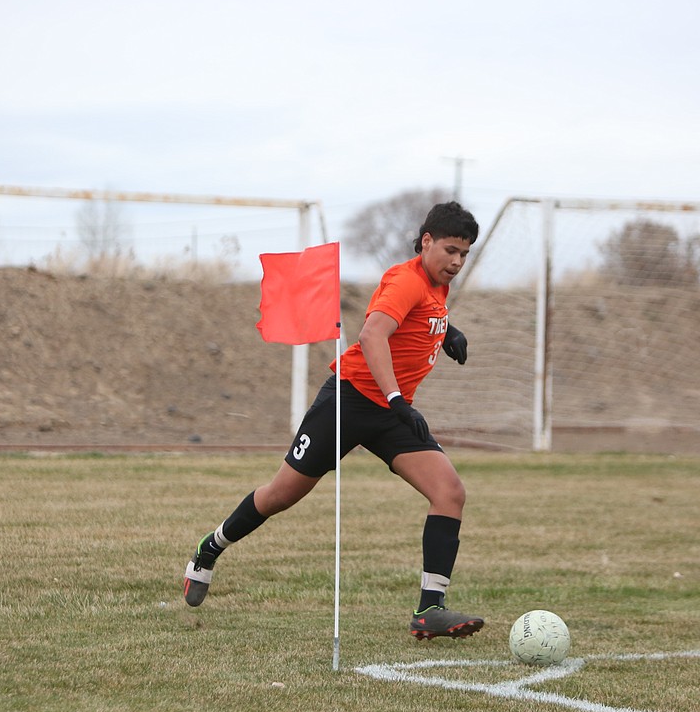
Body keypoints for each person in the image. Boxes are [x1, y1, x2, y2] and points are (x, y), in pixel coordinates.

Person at [183, 201, 483, 639]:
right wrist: (398, 398)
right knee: (280, 496)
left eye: (465, 254)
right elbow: (373, 334)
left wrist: (446, 329)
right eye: (450, 250)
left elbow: (420, 316)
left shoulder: (437, 285)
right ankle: (209, 549)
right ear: (426, 242)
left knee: (450, 492)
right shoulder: (405, 280)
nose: (456, 262)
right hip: (349, 401)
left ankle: (429, 610)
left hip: (390, 413)